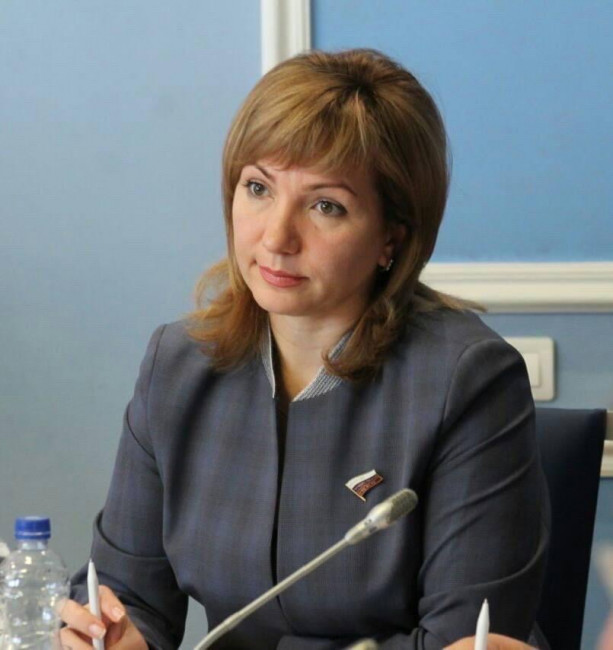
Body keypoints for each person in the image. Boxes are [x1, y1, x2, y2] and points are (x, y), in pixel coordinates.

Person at [60, 48, 549, 649]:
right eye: (258, 188)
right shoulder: (178, 366)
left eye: (325, 206)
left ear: (391, 238)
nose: (276, 236)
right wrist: (109, 629)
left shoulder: (466, 380)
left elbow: (465, 638)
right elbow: (128, 593)